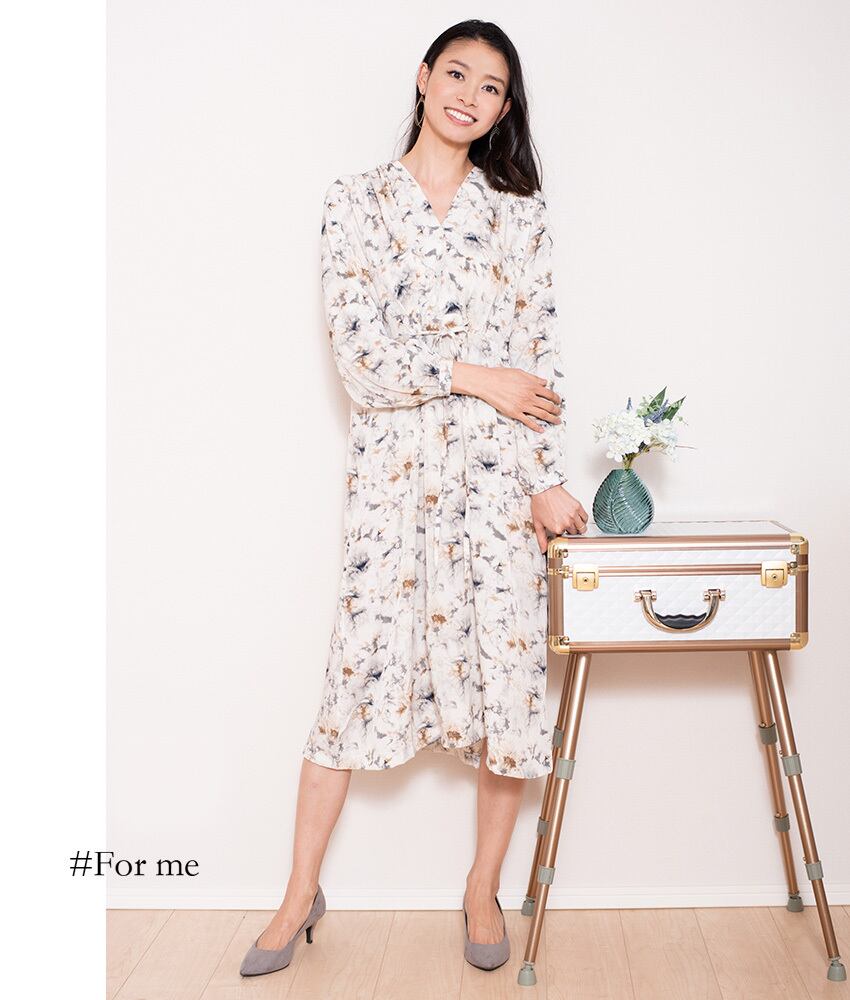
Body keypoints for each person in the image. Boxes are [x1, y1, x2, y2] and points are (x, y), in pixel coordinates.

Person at [240, 18, 588, 979]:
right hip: (391, 485)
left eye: (491, 87)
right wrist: (475, 374)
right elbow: (362, 361)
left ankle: (482, 888)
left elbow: (540, 364)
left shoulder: (518, 217)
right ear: (425, 78)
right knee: (352, 680)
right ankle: (297, 893)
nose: (470, 96)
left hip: (496, 487)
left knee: (508, 688)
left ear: (504, 110)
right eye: (458, 74)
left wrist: (545, 478)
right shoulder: (355, 202)